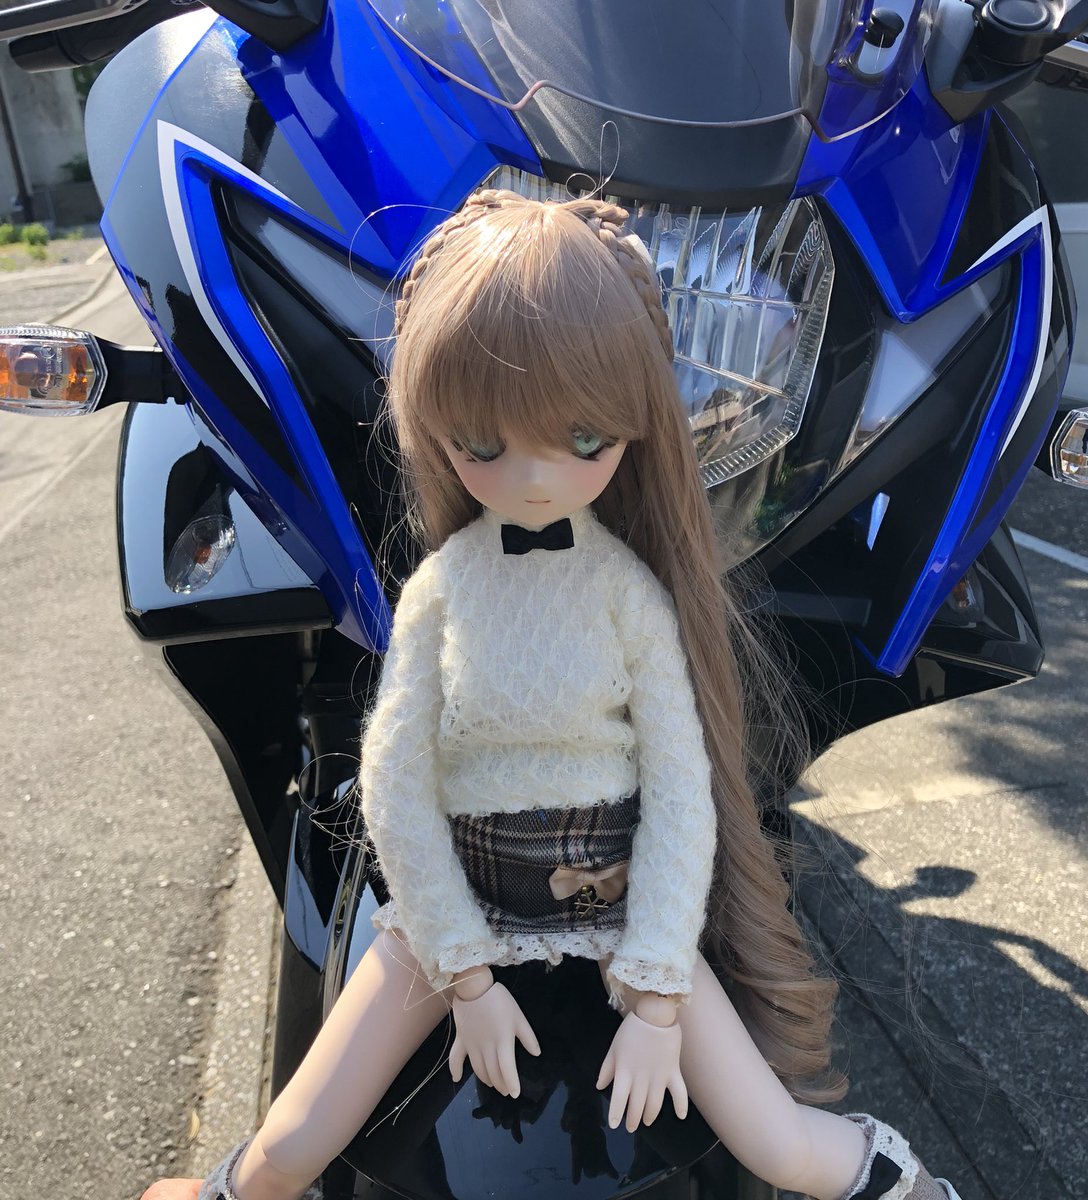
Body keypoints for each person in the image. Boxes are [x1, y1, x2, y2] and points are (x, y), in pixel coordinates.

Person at [145, 189, 960, 1200]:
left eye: (582, 439)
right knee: (295, 1137)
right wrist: (465, 974)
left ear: (635, 425)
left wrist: (656, 995)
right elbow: (395, 787)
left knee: (778, 1140)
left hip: (614, 908)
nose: (531, 478)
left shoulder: (630, 593)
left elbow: (681, 790)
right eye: (481, 444)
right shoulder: (442, 591)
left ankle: (906, 1182)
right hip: (462, 903)